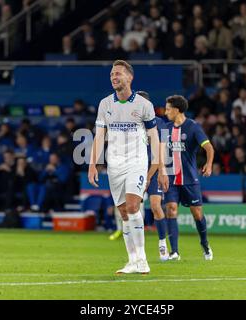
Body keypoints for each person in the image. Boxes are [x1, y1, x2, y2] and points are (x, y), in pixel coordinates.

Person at [88, 60, 160, 274]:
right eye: (111, 74)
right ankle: (132, 261)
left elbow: (154, 136)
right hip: (114, 165)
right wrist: (93, 163)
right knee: (123, 212)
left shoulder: (143, 105)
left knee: (132, 206)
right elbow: (99, 136)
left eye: (118, 73)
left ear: (130, 77)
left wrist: (156, 165)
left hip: (136, 162)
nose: (114, 77)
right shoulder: (105, 104)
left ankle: (143, 260)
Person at [160, 95, 214, 261]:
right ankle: (174, 251)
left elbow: (209, 148)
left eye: (168, 109)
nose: (166, 112)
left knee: (197, 214)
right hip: (171, 179)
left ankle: (205, 244)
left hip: (189, 179)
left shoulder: (193, 127)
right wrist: (162, 171)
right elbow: (160, 153)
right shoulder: (165, 129)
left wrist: (209, 164)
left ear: (177, 110)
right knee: (171, 209)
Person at [136, 90, 169, 261]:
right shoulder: (132, 124)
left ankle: (162, 243)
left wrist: (149, 176)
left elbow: (159, 155)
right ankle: (136, 250)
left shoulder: (160, 123)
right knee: (132, 208)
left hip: (154, 169)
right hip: (135, 169)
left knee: (156, 206)